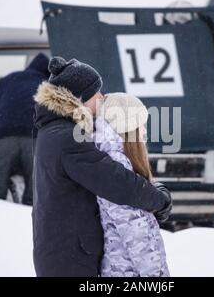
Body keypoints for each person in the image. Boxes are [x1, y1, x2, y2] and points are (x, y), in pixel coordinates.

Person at [32, 57, 172, 277]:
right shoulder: (67, 137)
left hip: (61, 254)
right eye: (96, 93)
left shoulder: (53, 131)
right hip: (70, 261)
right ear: (80, 98)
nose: (101, 97)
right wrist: (159, 200)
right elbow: (115, 182)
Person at [94, 93, 170, 277]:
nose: (144, 131)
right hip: (127, 271)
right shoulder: (117, 166)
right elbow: (136, 233)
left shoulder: (114, 160)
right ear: (128, 127)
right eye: (141, 124)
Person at [0, 53, 50, 205]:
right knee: (36, 193)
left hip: (2, 137)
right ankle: (26, 226)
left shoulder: (5, 81)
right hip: (35, 140)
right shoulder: (48, 87)